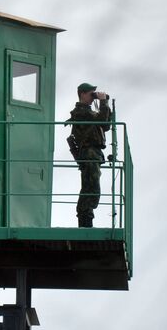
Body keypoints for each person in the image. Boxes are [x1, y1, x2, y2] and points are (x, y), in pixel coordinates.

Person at [69, 83, 111, 228]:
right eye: (90, 93)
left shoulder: (90, 112)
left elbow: (105, 125)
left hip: (94, 154)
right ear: (82, 94)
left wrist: (105, 105)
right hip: (89, 153)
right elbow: (101, 120)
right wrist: (103, 102)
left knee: (90, 187)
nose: (93, 96)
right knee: (91, 187)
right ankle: (85, 220)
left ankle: (86, 219)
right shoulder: (80, 111)